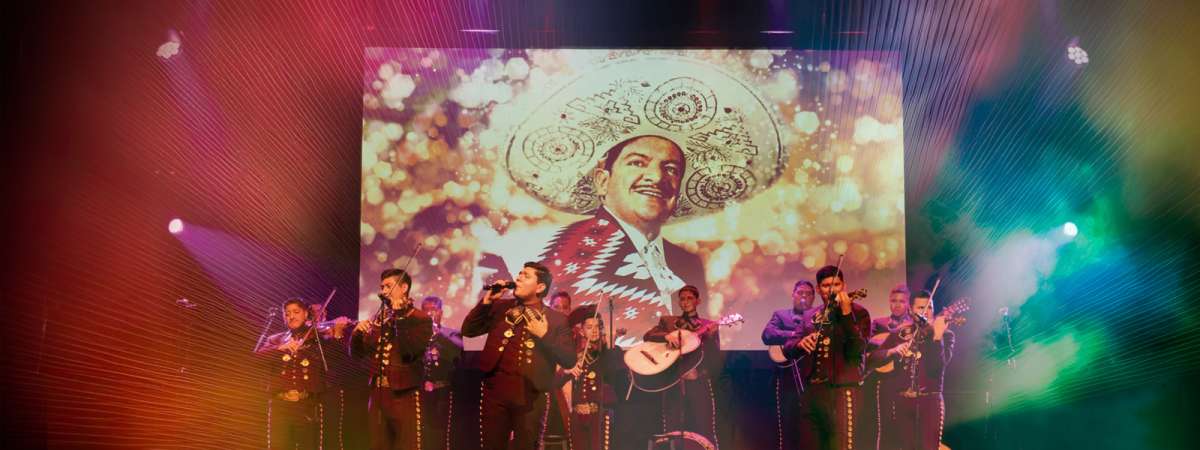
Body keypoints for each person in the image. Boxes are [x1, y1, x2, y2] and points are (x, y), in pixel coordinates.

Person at [537, 135, 706, 342]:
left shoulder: (688, 262)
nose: (656, 177)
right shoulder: (566, 247)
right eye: (637, 163)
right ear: (602, 181)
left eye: (671, 169)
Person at [462, 262, 577, 449]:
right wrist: (486, 302)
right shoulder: (499, 307)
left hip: (530, 396)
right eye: (519, 274)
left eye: (526, 276)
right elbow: (469, 331)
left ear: (540, 287)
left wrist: (544, 335)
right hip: (495, 391)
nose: (518, 278)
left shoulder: (557, 320)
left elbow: (569, 359)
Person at [783, 265, 871, 450]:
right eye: (825, 286)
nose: (831, 290)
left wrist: (846, 315)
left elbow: (858, 349)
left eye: (836, 284)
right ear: (818, 289)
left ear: (844, 286)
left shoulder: (859, 313)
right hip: (813, 392)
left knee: (840, 445)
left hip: (842, 390)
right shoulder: (810, 315)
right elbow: (788, 347)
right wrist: (800, 343)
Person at [350, 269, 434, 450]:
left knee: (407, 444)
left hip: (404, 393)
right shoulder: (380, 319)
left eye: (388, 286)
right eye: (381, 287)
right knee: (378, 444)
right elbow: (357, 355)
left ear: (404, 288)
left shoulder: (420, 318)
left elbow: (408, 351)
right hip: (378, 393)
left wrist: (401, 319)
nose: (383, 291)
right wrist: (357, 334)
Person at [255, 298, 349, 450]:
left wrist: (337, 333)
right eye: (287, 314)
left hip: (307, 405)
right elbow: (256, 359)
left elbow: (338, 359)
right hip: (281, 406)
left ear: (306, 314)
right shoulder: (276, 340)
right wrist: (281, 348)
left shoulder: (318, 338)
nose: (291, 316)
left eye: (296, 312)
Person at [643, 285, 724, 448]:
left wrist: (700, 372)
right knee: (671, 427)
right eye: (682, 298)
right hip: (673, 381)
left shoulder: (707, 325)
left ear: (698, 301)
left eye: (690, 298)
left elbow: (715, 359)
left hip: (698, 381)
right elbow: (648, 336)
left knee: (703, 426)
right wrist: (667, 335)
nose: (686, 301)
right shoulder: (669, 322)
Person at [877, 290, 954, 450]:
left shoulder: (945, 335)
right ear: (911, 311)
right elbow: (872, 358)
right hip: (902, 402)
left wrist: (937, 337)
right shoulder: (900, 333)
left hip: (930, 402)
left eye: (930, 307)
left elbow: (937, 367)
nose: (926, 312)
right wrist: (892, 350)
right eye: (921, 308)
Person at [760, 280, 816, 450]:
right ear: (793, 295)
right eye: (800, 293)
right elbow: (768, 334)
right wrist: (795, 334)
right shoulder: (781, 315)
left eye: (808, 294)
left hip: (811, 376)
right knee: (785, 424)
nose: (804, 297)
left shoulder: (818, 316)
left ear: (814, 297)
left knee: (810, 424)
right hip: (785, 377)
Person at [863, 284, 913, 450]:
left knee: (905, 426)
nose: (897, 305)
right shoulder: (878, 323)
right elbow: (868, 349)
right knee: (882, 424)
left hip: (906, 379)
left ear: (908, 303)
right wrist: (889, 347)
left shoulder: (914, 325)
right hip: (882, 379)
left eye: (901, 301)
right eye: (893, 301)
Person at [419, 296, 462, 450]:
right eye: (426, 310)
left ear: (441, 312)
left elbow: (462, 349)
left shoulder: (450, 334)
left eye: (433, 310)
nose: (429, 313)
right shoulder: (416, 335)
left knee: (440, 433)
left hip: (443, 392)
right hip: (419, 392)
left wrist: (439, 332)